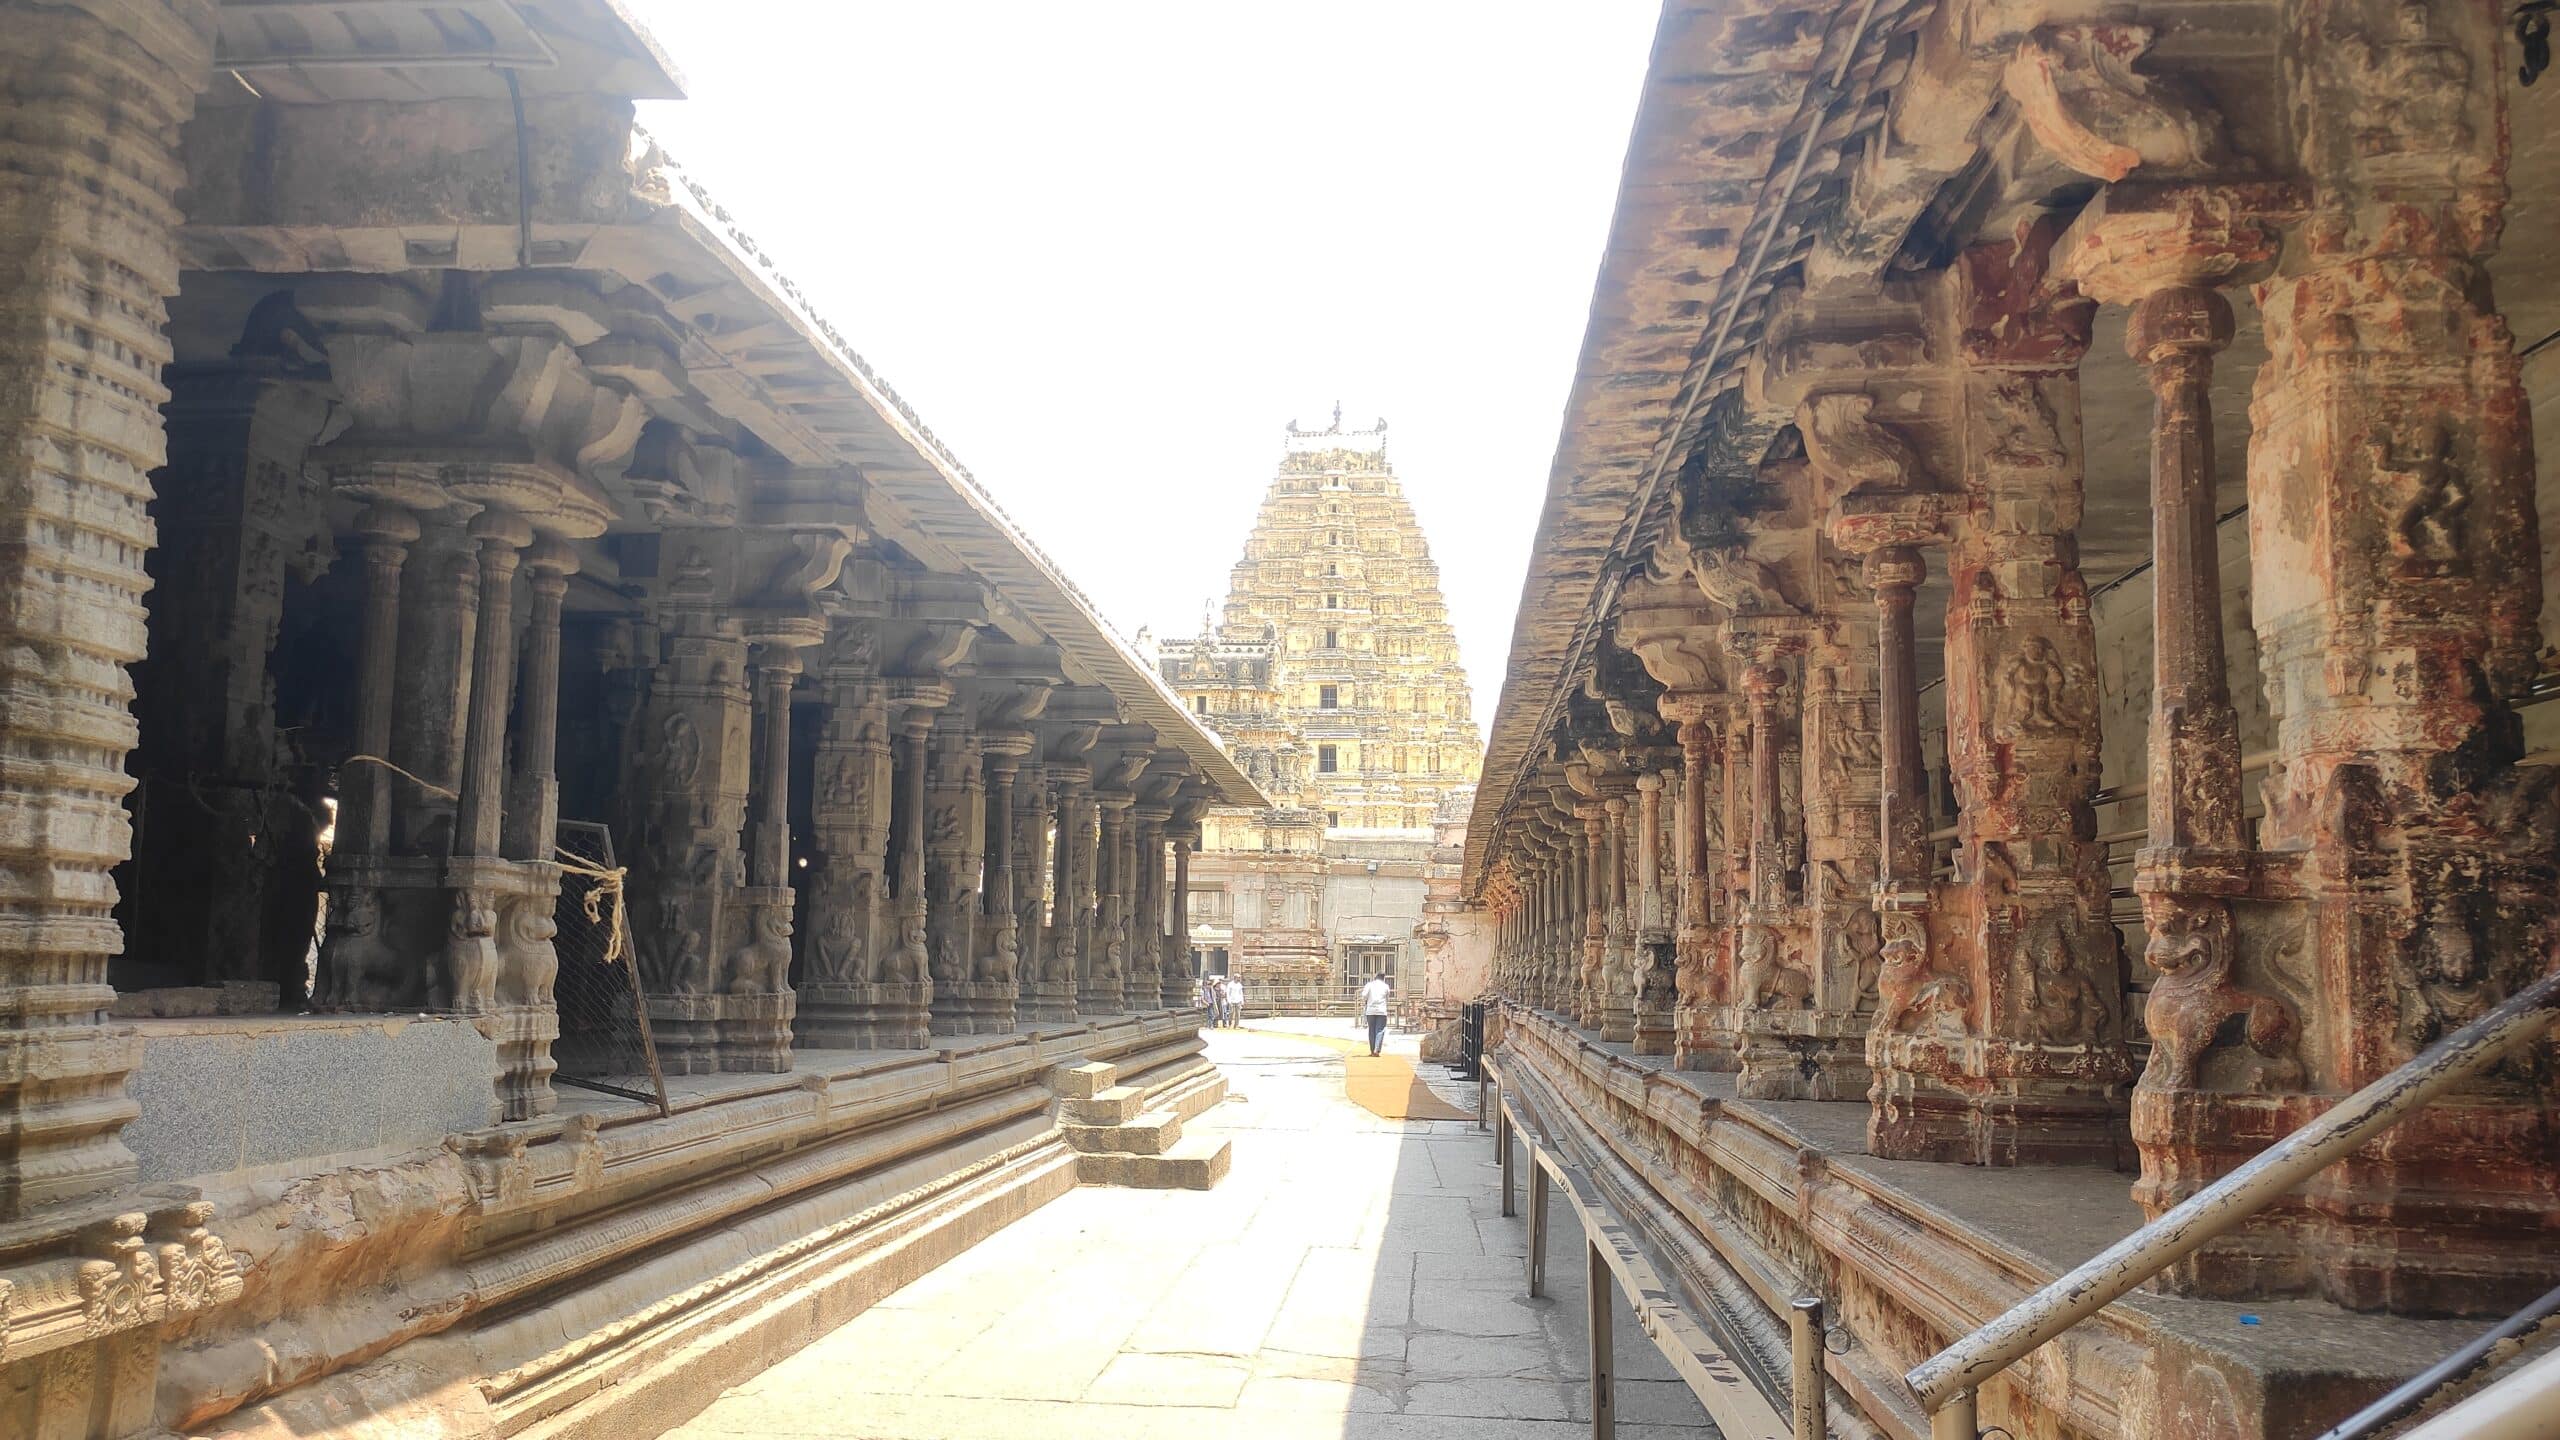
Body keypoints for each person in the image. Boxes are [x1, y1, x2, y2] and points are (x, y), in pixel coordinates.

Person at [1360, 973, 1391, 1056]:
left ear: (1375, 977)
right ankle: (1377, 1049)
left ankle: (1372, 1050)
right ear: (1383, 978)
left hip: (1370, 1011)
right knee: (1380, 1030)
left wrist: (1368, 1000)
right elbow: (1387, 998)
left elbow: (1363, 996)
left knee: (1371, 1030)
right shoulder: (1386, 986)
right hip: (1381, 1011)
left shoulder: (1369, 985)